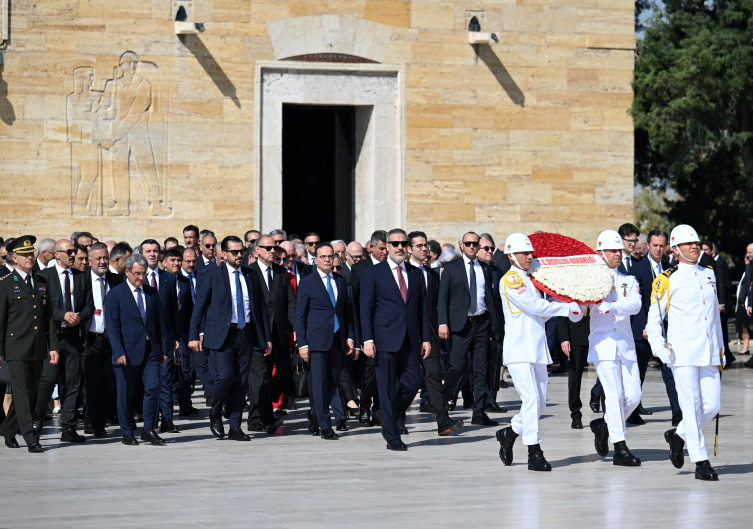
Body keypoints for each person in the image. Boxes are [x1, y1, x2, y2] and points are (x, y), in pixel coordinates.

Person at [495, 233, 583, 472]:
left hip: (536, 348)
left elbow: (541, 313)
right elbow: (535, 306)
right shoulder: (511, 279)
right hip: (520, 350)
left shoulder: (533, 281)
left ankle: (510, 431)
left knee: (540, 404)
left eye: (530, 253)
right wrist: (566, 308)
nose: (529, 257)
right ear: (511, 256)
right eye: (524, 253)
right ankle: (534, 451)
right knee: (531, 400)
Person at [648, 224, 723, 481]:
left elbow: (713, 318)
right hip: (682, 353)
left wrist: (721, 348)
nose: (695, 246)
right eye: (689, 244)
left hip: (710, 351)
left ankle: (678, 434)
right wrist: (660, 349)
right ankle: (701, 460)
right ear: (676, 250)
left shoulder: (709, 273)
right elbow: (654, 320)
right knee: (690, 407)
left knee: (713, 405)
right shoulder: (667, 279)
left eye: (697, 242)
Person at [189, 236, 272, 441]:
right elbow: (199, 307)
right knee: (225, 376)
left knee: (240, 382)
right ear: (224, 254)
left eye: (241, 251)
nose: (239, 255)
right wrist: (193, 335)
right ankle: (216, 412)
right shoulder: (211, 275)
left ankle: (235, 426)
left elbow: (260, 308)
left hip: (245, 333)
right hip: (221, 335)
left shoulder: (251, 275)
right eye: (234, 252)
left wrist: (266, 338)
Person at [360, 229, 431, 450]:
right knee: (386, 388)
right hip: (384, 339)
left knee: (413, 382)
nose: (399, 247)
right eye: (395, 243)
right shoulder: (374, 273)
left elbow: (422, 309)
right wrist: (368, 339)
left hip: (410, 339)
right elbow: (366, 309)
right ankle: (392, 436)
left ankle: (387, 413)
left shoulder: (416, 273)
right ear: (387, 246)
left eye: (403, 243)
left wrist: (426, 339)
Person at [586, 230, 642, 466]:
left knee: (634, 396)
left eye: (620, 250)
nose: (618, 254)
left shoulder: (628, 280)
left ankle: (604, 424)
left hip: (626, 345)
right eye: (613, 250)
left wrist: (613, 306)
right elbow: (596, 308)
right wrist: (619, 305)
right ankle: (620, 446)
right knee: (615, 395)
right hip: (604, 345)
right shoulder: (592, 280)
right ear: (600, 252)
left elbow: (636, 304)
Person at [0, 237, 60, 453]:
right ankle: (30, 437)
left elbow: (49, 319)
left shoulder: (41, 281)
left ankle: (7, 428)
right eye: (24, 254)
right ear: (14, 258)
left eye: (31, 253)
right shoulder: (6, 284)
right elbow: (1, 321)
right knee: (22, 392)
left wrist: (53, 346)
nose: (29, 257)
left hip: (38, 346)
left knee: (28, 391)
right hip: (14, 347)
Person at [105, 254, 171, 446]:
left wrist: (164, 349)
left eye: (143, 274)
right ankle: (127, 431)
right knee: (125, 392)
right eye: (136, 274)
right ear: (127, 272)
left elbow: (160, 323)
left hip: (150, 350)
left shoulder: (151, 293)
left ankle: (149, 429)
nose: (140, 277)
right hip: (126, 351)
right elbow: (112, 325)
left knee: (152, 387)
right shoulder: (116, 294)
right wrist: (118, 352)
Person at [34, 239, 94, 443]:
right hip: (51, 338)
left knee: (73, 384)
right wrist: (62, 315)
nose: (72, 254)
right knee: (48, 381)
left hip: (73, 338)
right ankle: (37, 421)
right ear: (56, 254)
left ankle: (68, 427)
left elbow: (89, 305)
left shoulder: (81, 277)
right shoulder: (44, 276)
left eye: (73, 251)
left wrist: (78, 317)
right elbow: (43, 306)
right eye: (68, 251)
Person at [437, 231, 499, 426]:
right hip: (459, 324)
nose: (472, 246)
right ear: (462, 245)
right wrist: (443, 323)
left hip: (481, 323)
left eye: (475, 244)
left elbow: (489, 297)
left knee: (481, 369)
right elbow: (443, 297)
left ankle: (479, 412)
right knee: (457, 367)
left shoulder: (486, 269)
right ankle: (442, 402)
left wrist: (494, 326)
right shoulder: (451, 267)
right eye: (468, 243)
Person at [296, 243, 355, 440]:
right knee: (319, 382)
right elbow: (301, 315)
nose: (327, 259)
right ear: (316, 259)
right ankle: (325, 424)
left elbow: (347, 313)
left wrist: (350, 337)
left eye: (330, 256)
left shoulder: (340, 280)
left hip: (338, 339)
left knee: (333, 380)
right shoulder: (308, 282)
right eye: (323, 256)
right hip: (317, 340)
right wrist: (302, 344)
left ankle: (315, 413)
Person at [406, 231, 463, 435]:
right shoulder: (404, 272)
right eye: (419, 246)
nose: (424, 249)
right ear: (409, 249)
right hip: (407, 334)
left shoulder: (431, 274)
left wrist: (441, 324)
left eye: (425, 246)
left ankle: (443, 421)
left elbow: (437, 303)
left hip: (429, 332)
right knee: (407, 380)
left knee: (434, 376)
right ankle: (394, 419)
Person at [627, 229, 681, 426]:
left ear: (666, 247)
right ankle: (632, 411)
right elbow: (638, 301)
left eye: (661, 245)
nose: (658, 249)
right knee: (639, 371)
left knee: (669, 370)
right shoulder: (637, 269)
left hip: (666, 331)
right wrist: (646, 327)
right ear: (647, 246)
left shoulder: (670, 269)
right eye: (655, 245)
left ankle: (677, 412)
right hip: (642, 330)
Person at [247, 235, 296, 433]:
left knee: (283, 372)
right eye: (266, 247)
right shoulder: (248, 273)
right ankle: (258, 419)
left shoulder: (281, 272)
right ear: (256, 250)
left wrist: (296, 329)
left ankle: (265, 407)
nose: (271, 251)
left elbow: (291, 303)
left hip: (280, 334)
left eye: (273, 247)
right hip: (258, 334)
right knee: (260, 378)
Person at [348, 230, 388, 426]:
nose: (385, 252)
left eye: (387, 248)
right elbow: (353, 303)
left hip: (389, 329)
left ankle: (379, 409)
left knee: (387, 373)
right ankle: (364, 406)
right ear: (371, 247)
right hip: (367, 331)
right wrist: (357, 336)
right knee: (371, 373)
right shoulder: (360, 269)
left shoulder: (393, 267)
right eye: (381, 248)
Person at [140, 239, 180, 434]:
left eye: (155, 251)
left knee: (165, 379)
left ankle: (167, 419)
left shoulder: (168, 278)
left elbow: (173, 310)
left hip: (165, 337)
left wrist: (175, 337)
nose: (152, 254)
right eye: (148, 251)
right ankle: (151, 420)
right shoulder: (133, 277)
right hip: (143, 338)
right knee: (150, 383)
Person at [80, 243, 120, 437]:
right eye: (99, 258)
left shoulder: (116, 280)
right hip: (88, 339)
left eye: (105, 258)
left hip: (109, 340)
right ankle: (92, 422)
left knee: (106, 382)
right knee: (90, 382)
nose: (103, 261)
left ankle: (101, 418)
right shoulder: (82, 279)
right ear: (89, 261)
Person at [163, 248, 198, 417]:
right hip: (164, 334)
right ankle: (164, 409)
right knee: (165, 370)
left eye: (179, 260)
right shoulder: (159, 281)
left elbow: (190, 308)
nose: (176, 263)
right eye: (173, 260)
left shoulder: (185, 281)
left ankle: (185, 404)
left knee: (184, 369)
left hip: (183, 333)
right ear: (165, 263)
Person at [557, 304, 591, 429]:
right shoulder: (568, 284)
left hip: (599, 331)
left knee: (606, 373)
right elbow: (562, 310)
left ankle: (607, 412)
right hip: (576, 332)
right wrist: (564, 337)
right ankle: (576, 413)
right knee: (575, 376)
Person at [701, 240, 734, 367]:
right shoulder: (716, 262)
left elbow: (722, 284)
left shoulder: (718, 263)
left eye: (706, 250)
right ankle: (727, 355)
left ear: (712, 251)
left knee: (721, 332)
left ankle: (725, 356)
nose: (703, 253)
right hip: (720, 303)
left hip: (721, 304)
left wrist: (722, 303)